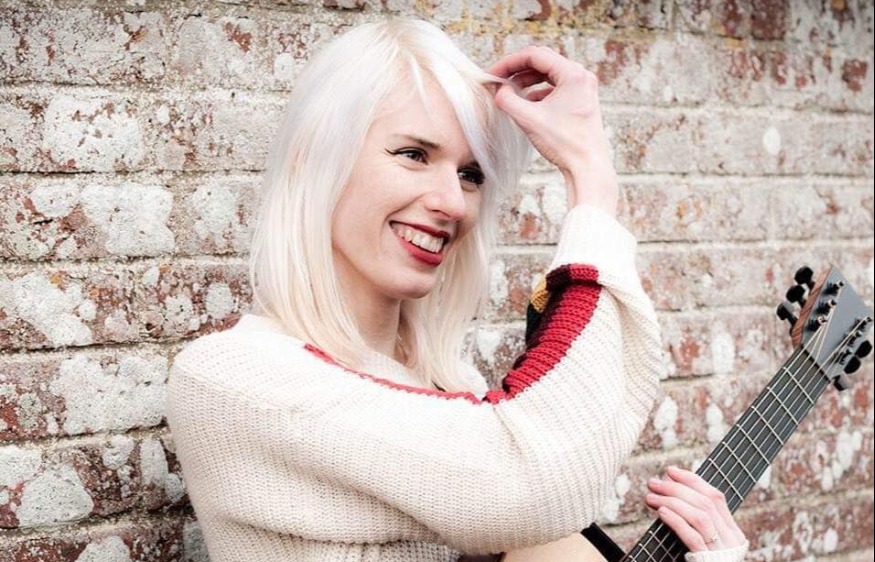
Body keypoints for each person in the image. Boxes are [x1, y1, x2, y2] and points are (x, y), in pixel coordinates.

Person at [166, 19, 748, 562]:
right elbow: (538, 481)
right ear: (312, 158)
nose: (452, 203)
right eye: (413, 154)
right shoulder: (235, 379)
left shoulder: (453, 387)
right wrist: (591, 181)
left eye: (470, 175)